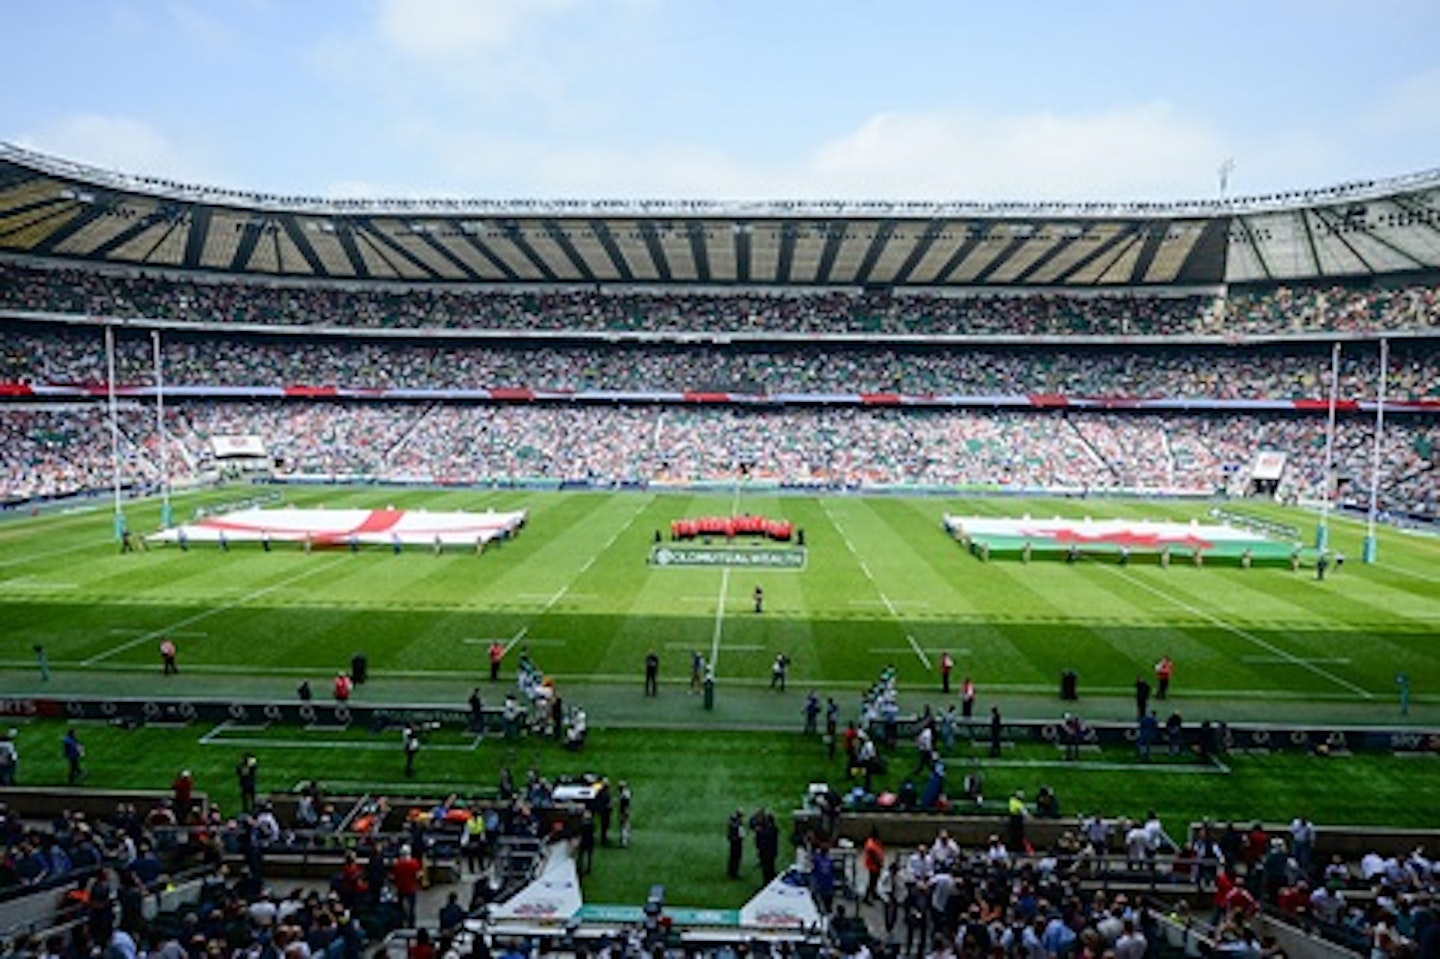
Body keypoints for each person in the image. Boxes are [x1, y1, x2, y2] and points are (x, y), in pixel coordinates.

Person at [391, 844, 424, 927]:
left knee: (400, 908)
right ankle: (411, 924)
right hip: (411, 888)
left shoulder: (397, 864)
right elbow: (418, 875)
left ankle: (400, 923)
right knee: (412, 908)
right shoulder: (414, 863)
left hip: (401, 888)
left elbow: (394, 876)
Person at [726, 808, 745, 878]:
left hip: (733, 841)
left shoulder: (731, 821)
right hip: (737, 842)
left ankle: (731, 872)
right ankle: (734, 873)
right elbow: (741, 834)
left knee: (732, 857)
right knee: (736, 858)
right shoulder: (738, 823)